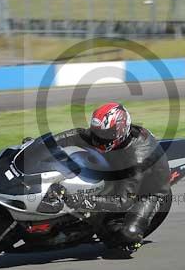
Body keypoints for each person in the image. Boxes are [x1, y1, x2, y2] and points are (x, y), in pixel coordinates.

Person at [51, 102, 171, 255]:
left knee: (126, 235)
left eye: (105, 135)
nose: (98, 139)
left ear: (120, 132)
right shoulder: (104, 135)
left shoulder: (136, 159)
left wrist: (85, 201)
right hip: (116, 168)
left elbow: (123, 201)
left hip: (147, 191)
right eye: (96, 132)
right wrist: (42, 144)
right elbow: (76, 135)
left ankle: (130, 238)